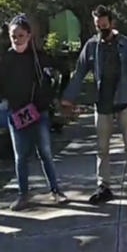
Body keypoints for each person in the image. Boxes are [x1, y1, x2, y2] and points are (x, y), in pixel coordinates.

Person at [61, 5, 127, 204]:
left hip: (123, 101)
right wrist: (68, 97)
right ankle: (104, 186)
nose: (102, 31)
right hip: (102, 104)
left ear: (112, 24)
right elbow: (80, 72)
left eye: (105, 26)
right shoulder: (91, 46)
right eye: (98, 27)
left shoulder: (125, 45)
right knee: (102, 149)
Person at [0, 15, 68, 211]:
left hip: (39, 113)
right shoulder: (6, 60)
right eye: (13, 36)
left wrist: (57, 95)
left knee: (45, 153)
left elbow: (64, 69)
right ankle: (23, 195)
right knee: (20, 157)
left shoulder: (39, 57)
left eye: (20, 35)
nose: (17, 40)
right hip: (16, 114)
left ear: (29, 35)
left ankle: (55, 190)